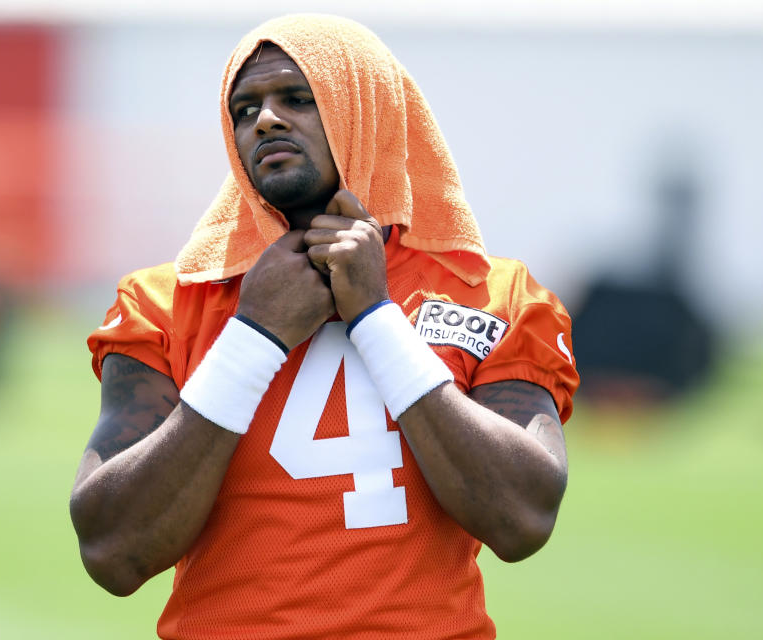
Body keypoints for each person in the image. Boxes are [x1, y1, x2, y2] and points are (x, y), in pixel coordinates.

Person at [70, 14, 579, 639]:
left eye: (298, 98)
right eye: (245, 107)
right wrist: (254, 335)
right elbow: (112, 551)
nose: (267, 120)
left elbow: (522, 519)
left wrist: (376, 317)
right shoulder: (165, 303)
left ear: (364, 107)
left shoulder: (495, 296)